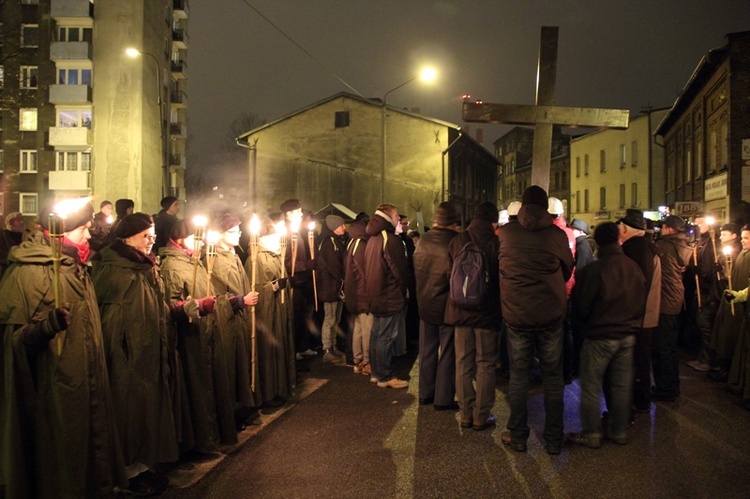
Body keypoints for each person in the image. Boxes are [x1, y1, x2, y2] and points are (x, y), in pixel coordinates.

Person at [0, 200, 128, 497]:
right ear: (63, 231)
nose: (88, 236)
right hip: (53, 393)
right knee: (59, 466)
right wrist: (47, 327)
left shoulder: (75, 268)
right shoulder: (30, 273)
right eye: (83, 229)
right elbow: (13, 342)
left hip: (85, 383)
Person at [95, 212, 177, 494]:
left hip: (146, 352)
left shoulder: (144, 267)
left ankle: (143, 466)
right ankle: (129, 473)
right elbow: (111, 321)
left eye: (153, 235)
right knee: (128, 413)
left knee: (145, 411)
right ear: (128, 238)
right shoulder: (116, 272)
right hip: (127, 357)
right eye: (146, 236)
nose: (152, 241)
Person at [498, 185, 573, 455]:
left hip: (516, 315)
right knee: (553, 377)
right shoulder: (557, 235)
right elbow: (567, 270)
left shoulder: (506, 233)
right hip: (550, 314)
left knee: (518, 377)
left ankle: (518, 436)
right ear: (546, 208)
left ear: (522, 206)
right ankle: (553, 439)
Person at [159, 219, 238, 456]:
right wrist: (194, 306)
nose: (201, 242)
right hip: (189, 337)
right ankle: (199, 441)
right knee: (196, 388)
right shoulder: (173, 266)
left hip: (205, 331)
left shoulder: (195, 261)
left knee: (210, 383)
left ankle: (213, 435)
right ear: (181, 239)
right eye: (196, 237)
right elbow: (171, 304)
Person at [566, 222, 646, 449]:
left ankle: (591, 433)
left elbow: (581, 305)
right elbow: (642, 298)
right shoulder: (632, 267)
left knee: (591, 385)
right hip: (628, 335)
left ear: (598, 243)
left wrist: (585, 327)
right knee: (621, 386)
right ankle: (619, 431)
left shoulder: (595, 270)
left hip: (600, 335)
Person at [445, 201, 501, 427]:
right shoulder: (496, 242)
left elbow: (450, 273)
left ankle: (465, 413)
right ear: (492, 221)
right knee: (486, 363)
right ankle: (482, 414)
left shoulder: (457, 240)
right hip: (486, 312)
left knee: (463, 362)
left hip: (459, 309)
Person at [210, 213, 262, 428]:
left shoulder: (234, 255)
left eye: (239, 231)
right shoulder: (214, 259)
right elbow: (215, 293)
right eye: (232, 231)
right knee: (230, 366)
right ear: (220, 234)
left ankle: (244, 405)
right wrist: (240, 301)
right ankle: (230, 412)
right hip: (227, 322)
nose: (238, 235)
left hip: (239, 319)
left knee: (242, 362)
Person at [413, 202, 461, 410]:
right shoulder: (455, 242)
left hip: (425, 303)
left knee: (427, 350)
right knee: (448, 351)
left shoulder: (423, 240)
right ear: (454, 221)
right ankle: (443, 398)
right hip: (447, 306)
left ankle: (425, 393)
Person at [245, 213, 296, 407]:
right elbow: (255, 288)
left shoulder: (276, 256)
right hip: (267, 316)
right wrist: (274, 287)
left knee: (280, 348)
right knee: (267, 354)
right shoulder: (256, 259)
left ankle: (282, 387)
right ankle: (268, 392)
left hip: (279, 313)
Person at [618, 210, 661, 414]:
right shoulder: (647, 246)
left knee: (637, 359)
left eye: (620, 228)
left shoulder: (633, 247)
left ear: (625, 229)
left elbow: (635, 284)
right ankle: (641, 397)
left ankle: (639, 399)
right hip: (647, 313)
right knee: (642, 358)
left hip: (638, 315)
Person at [364, 204, 410, 389]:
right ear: (388, 217)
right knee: (386, 337)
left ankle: (376, 372)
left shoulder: (373, 237)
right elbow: (399, 270)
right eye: (397, 215)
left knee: (376, 335)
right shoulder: (389, 239)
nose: (398, 218)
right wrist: (404, 290)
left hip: (376, 294)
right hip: (388, 295)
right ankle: (384, 376)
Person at [652, 215, 693, 401]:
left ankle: (666, 389)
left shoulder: (664, 247)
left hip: (665, 301)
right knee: (669, 347)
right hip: (675, 299)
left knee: (663, 348)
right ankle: (670, 386)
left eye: (663, 227)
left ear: (669, 229)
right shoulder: (682, 246)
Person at [708, 223, 749, 382]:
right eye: (743, 237)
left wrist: (739, 296)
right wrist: (724, 273)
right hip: (732, 299)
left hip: (740, 305)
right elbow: (732, 276)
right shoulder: (742, 254)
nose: (743, 241)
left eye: (746, 238)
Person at [281, 199, 317, 358]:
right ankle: (292, 351)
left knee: (303, 316)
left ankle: (301, 347)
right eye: (298, 211)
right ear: (288, 214)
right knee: (294, 318)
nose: (301, 214)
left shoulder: (295, 231)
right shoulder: (285, 232)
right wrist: (306, 265)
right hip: (294, 282)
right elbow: (287, 262)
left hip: (302, 281)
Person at [686, 214, 721, 372]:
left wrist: (696, 269)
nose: (698, 226)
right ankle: (702, 357)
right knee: (701, 324)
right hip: (701, 289)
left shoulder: (711, 244)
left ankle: (707, 359)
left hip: (707, 291)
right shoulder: (702, 242)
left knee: (705, 324)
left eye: (701, 223)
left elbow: (707, 270)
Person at [316, 214, 348, 362]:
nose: (344, 227)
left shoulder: (335, 241)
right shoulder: (329, 243)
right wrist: (342, 281)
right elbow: (334, 266)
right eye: (342, 225)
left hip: (336, 286)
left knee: (336, 318)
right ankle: (327, 349)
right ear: (335, 227)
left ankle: (333, 346)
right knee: (330, 318)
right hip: (330, 287)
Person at [345, 213, 373, 375]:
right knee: (366, 328)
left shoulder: (352, 242)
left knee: (358, 328)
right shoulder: (361, 244)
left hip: (353, 292)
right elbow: (364, 272)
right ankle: (366, 362)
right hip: (362, 293)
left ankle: (358, 361)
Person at [0, 211, 25, 278]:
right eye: (18, 220)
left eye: (21, 220)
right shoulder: (3, 235)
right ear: (11, 223)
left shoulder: (24, 236)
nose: (21, 222)